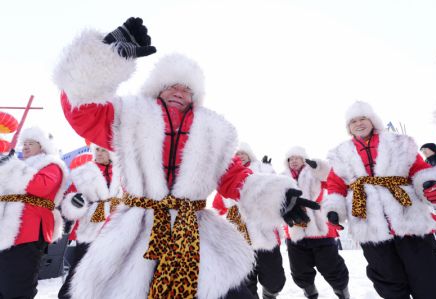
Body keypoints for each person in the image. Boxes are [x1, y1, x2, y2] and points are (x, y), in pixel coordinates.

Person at [53, 17, 319, 299]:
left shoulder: (213, 131)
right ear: (158, 88)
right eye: (172, 85)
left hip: (194, 230)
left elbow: (234, 176)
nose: (179, 92)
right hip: (137, 230)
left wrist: (276, 196)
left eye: (187, 89)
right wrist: (106, 55)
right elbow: (80, 108)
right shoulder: (128, 115)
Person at [323, 101, 436, 299]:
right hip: (369, 224)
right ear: (348, 127)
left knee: (429, 276)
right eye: (353, 121)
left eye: (363, 118)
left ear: (373, 120)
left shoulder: (399, 142)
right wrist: (334, 209)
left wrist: (431, 186)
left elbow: (420, 170)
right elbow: (335, 185)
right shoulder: (340, 154)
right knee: (388, 281)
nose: (359, 123)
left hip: (408, 219)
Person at [0, 127, 68, 299]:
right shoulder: (21, 166)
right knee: (4, 281)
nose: (25, 147)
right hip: (7, 231)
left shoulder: (52, 164)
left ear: (43, 146)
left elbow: (40, 187)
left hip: (30, 229)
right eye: (24, 144)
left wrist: (13, 167)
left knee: (19, 284)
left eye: (31, 143)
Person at [213, 142, 285, 299]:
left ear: (250, 154)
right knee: (246, 282)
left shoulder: (261, 170)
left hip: (264, 232)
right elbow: (217, 207)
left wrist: (269, 171)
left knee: (275, 280)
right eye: (236, 154)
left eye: (243, 153)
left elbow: (276, 190)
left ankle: (270, 293)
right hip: (240, 238)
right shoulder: (225, 179)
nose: (240, 156)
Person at [281, 146, 349, 299]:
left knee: (331, 266)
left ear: (303, 159)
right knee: (299, 269)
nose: (294, 161)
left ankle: (342, 292)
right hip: (295, 228)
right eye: (290, 159)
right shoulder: (282, 178)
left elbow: (329, 178)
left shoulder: (314, 173)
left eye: (297, 158)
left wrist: (320, 167)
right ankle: (310, 293)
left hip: (319, 227)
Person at [58, 145, 123, 299]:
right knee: (80, 264)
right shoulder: (83, 172)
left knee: (107, 266)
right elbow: (70, 196)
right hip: (91, 224)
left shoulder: (121, 174)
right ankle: (67, 295)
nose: (99, 154)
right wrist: (75, 202)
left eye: (103, 150)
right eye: (97, 150)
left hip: (114, 225)